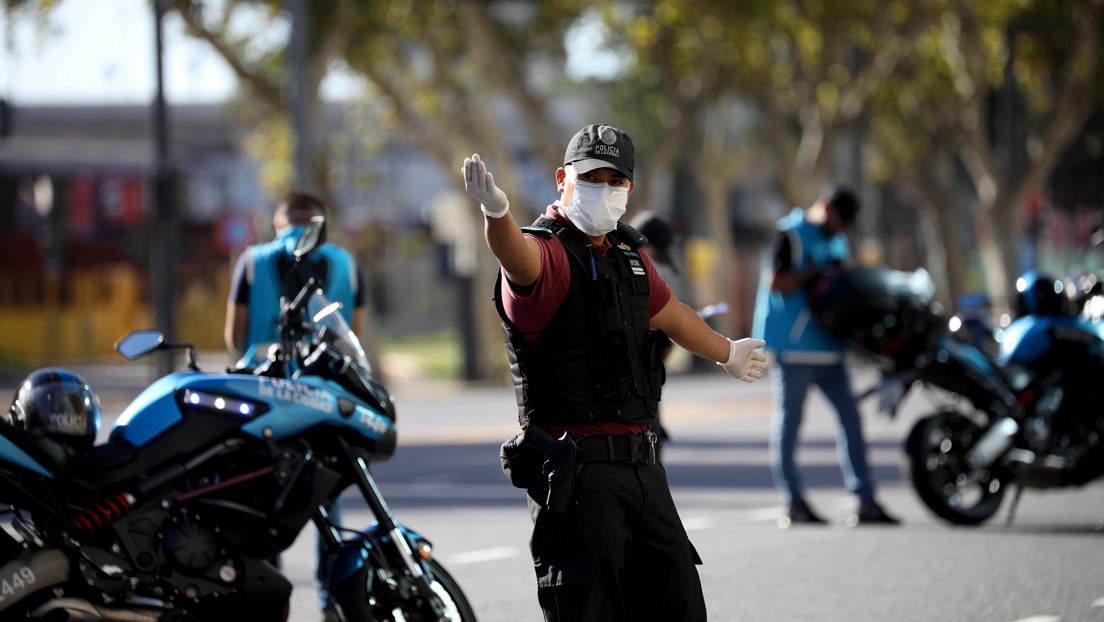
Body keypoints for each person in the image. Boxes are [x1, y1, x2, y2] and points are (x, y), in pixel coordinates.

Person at [461, 123, 768, 622]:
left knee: (680, 608)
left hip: (644, 472)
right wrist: (498, 214)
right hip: (580, 482)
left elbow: (673, 314)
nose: (603, 190)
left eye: (615, 181)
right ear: (563, 178)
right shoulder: (549, 254)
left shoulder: (628, 255)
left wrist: (726, 352)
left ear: (630, 189)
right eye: (591, 177)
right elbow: (515, 257)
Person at [224, 190, 365, 622]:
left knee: (261, 500)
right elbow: (351, 335)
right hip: (321, 395)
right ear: (321, 220)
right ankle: (333, 603)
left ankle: (269, 604)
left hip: (263, 396)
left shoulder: (252, 260)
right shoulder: (346, 262)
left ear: (277, 221)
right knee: (326, 499)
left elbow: (234, 334)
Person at [751, 186, 899, 528]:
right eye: (841, 219)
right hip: (794, 351)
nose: (843, 228)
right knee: (789, 426)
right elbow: (774, 282)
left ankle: (865, 500)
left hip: (831, 350)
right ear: (826, 208)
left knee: (851, 421)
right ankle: (794, 502)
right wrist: (812, 274)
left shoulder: (838, 240)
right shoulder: (790, 234)